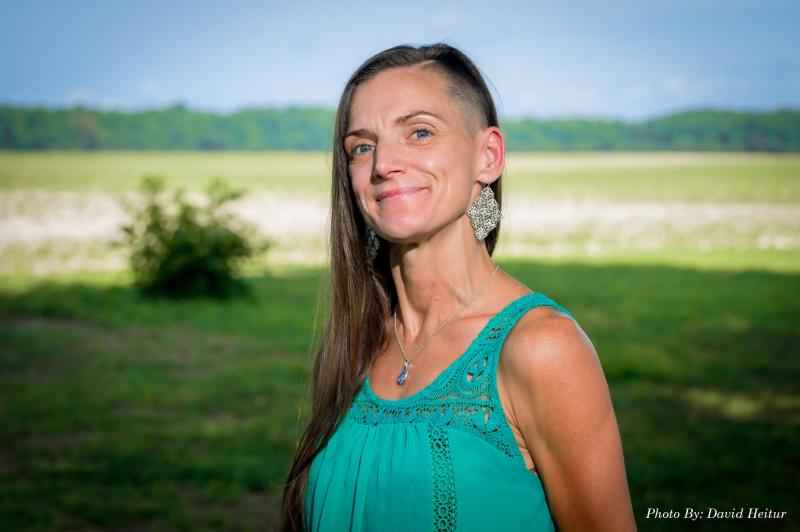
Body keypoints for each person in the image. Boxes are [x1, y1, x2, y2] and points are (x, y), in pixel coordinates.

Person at [280, 42, 637, 532]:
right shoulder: (357, 341)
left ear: (488, 156)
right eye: (362, 146)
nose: (384, 163)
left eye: (420, 133)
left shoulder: (540, 348)